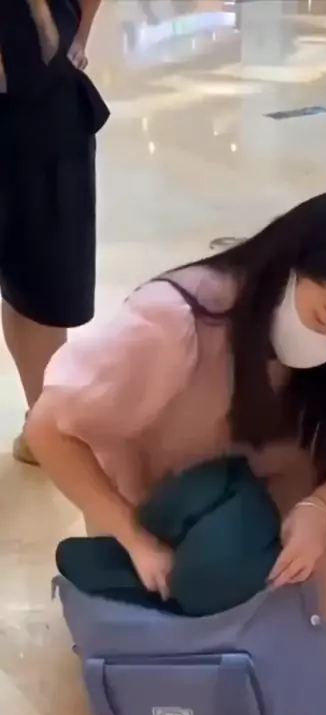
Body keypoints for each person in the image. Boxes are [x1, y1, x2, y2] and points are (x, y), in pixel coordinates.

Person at [27, 189, 326, 711]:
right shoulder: (177, 319)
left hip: (266, 478)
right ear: (289, 267)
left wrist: (321, 509)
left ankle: (320, 622)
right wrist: (134, 537)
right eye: (324, 317)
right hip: (169, 495)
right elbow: (48, 430)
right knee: (210, 578)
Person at [0, 0, 107, 463]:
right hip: (39, 86)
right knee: (39, 270)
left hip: (42, 97)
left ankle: (43, 424)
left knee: (42, 276)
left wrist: (77, 37)